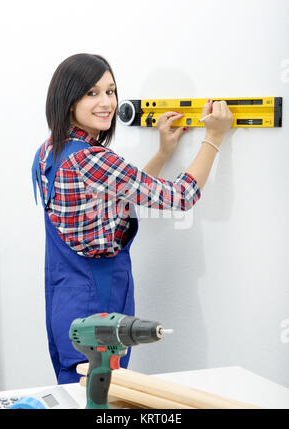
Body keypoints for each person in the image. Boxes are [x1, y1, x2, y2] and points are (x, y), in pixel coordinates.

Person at [32, 53, 233, 384]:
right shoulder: (92, 159)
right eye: (92, 93)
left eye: (110, 91)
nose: (106, 102)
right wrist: (214, 136)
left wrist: (164, 153)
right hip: (96, 304)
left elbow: (117, 200)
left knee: (79, 397)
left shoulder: (50, 150)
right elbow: (180, 197)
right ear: (69, 100)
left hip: (64, 303)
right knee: (100, 401)